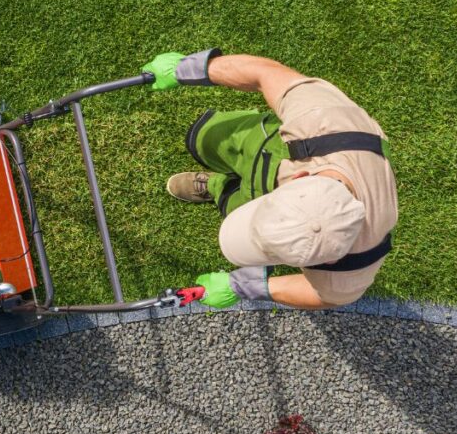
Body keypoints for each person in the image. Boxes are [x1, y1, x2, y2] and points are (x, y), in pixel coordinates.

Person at [141, 49, 398, 310]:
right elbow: (265, 73)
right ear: (299, 176)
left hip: (286, 172)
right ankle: (214, 153)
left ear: (330, 260)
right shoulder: (325, 120)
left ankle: (216, 186)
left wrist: (242, 286)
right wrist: (189, 69)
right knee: (203, 139)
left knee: (232, 202)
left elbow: (324, 296)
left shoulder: (351, 269)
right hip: (277, 148)